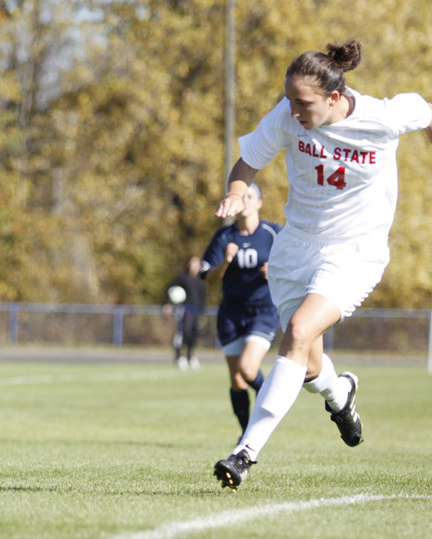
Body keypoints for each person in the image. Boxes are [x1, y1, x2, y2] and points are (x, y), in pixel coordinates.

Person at [212, 40, 432, 491]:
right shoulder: (285, 116)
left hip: (355, 251)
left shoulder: (383, 117)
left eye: (303, 103)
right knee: (309, 365)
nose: (292, 111)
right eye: (289, 99)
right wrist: (236, 191)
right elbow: (247, 164)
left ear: (334, 98)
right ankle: (340, 392)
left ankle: (245, 452)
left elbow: (426, 112)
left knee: (295, 333)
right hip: (297, 248)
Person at [200, 183, 281, 438]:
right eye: (241, 196)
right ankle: (247, 434)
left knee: (248, 369)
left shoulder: (274, 233)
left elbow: (297, 268)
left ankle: (275, 401)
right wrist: (224, 262)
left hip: (263, 311)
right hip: (231, 313)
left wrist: (276, 272)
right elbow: (207, 279)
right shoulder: (224, 238)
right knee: (237, 380)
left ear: (259, 202)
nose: (244, 201)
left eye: (250, 196)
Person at [162, 256, 206, 370]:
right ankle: (179, 357)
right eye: (193, 263)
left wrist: (202, 312)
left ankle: (190, 357)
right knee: (182, 333)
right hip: (184, 311)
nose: (195, 266)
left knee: (193, 335)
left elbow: (202, 297)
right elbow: (170, 288)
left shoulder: (200, 280)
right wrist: (167, 303)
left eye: (197, 264)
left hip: (196, 312)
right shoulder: (182, 277)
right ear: (188, 264)